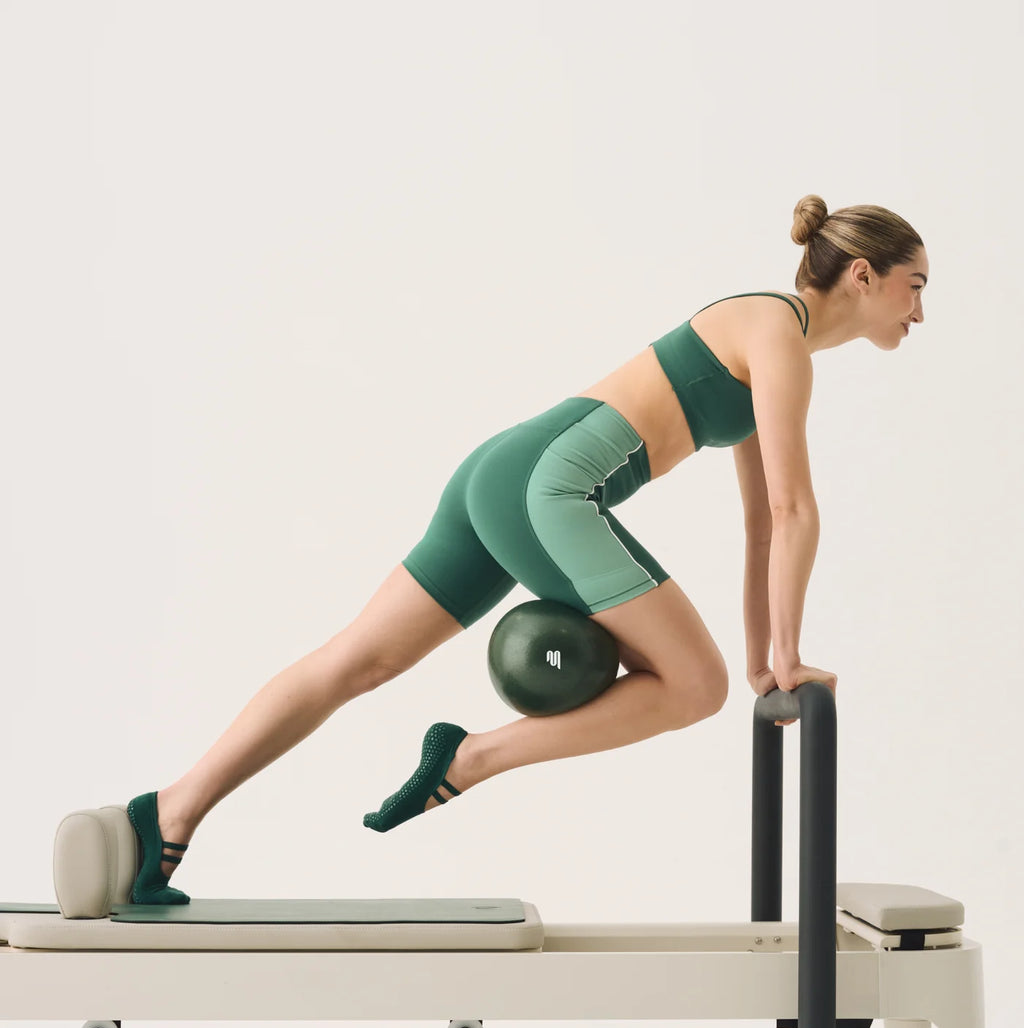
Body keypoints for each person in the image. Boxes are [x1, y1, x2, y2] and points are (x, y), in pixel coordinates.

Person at [125, 193, 928, 904]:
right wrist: (785, 659)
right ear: (862, 275)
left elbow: (761, 523)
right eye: (915, 286)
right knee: (693, 685)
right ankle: (471, 759)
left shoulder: (767, 339)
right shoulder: (777, 332)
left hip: (502, 475)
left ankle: (169, 811)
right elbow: (796, 511)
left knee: (355, 660)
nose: (919, 313)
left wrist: (769, 660)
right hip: (550, 491)